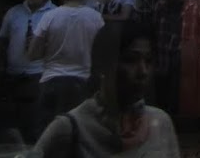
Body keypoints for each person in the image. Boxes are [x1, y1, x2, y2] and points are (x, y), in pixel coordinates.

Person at [32, 21, 180, 158]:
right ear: (103, 65)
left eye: (148, 61)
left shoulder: (160, 123)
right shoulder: (71, 128)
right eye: (130, 60)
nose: (143, 71)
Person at [30, 0, 106, 133]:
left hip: (52, 82)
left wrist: (49, 48)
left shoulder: (49, 17)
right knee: (81, 134)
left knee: (49, 135)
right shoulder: (96, 18)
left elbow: (32, 53)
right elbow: (102, 54)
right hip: (83, 83)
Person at [0, 0, 55, 140]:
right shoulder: (14, 12)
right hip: (13, 76)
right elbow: (2, 42)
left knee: (35, 124)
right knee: (11, 126)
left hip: (38, 76)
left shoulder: (54, 13)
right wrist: (0, 68)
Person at [151, 0, 186, 117]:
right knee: (160, 104)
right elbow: (153, 33)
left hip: (179, 67)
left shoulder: (189, 8)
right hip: (160, 63)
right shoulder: (159, 7)